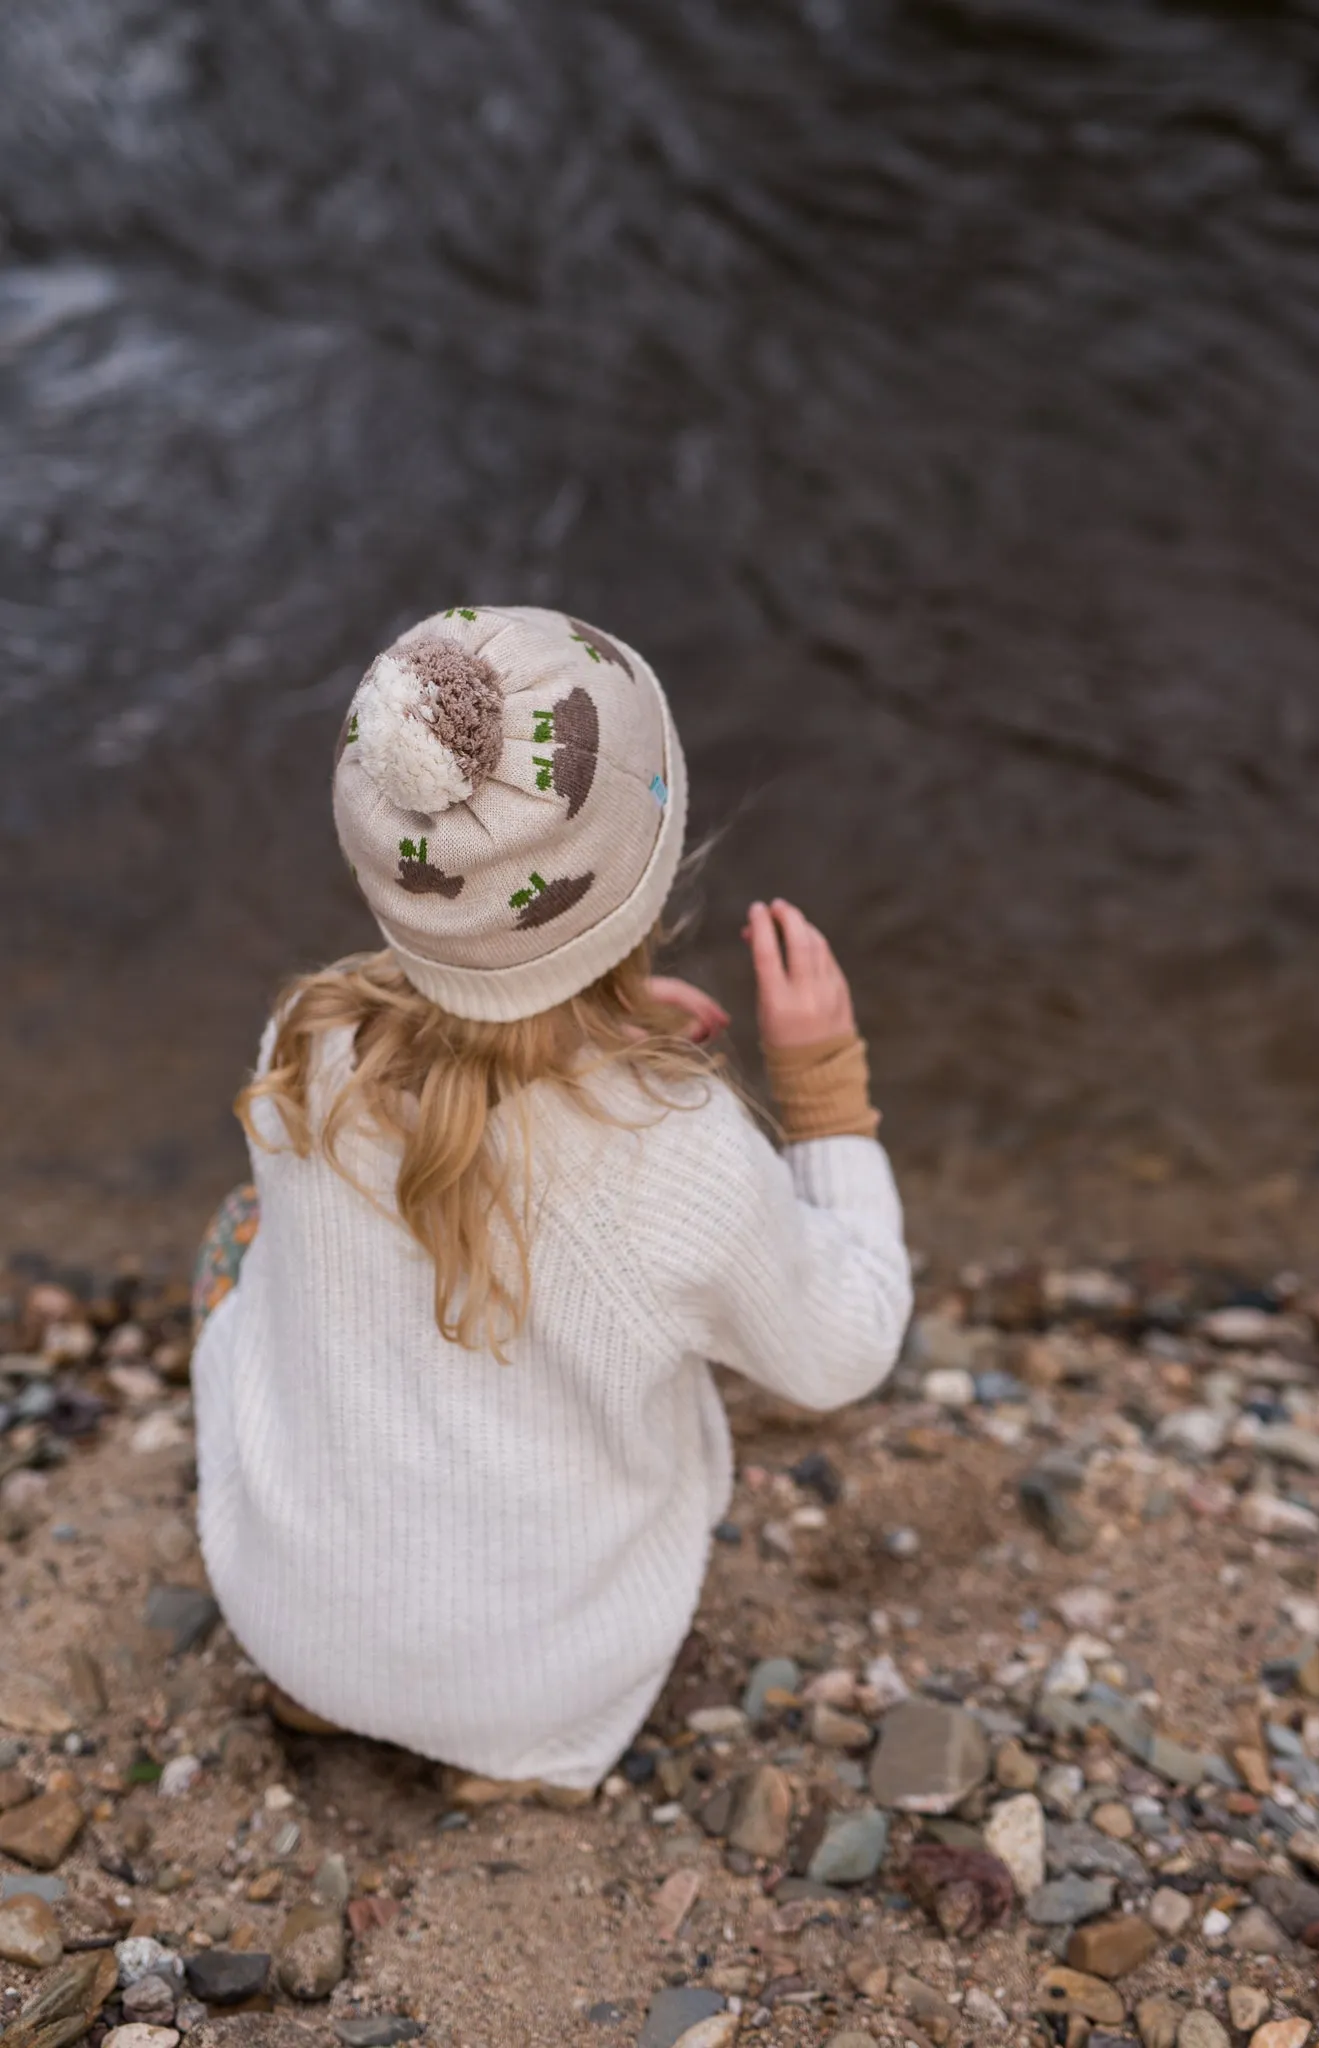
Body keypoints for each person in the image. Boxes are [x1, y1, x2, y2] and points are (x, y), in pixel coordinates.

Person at [191, 604, 911, 1797]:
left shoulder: (308, 1038)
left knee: (242, 1227)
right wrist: (824, 1091)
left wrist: (578, 1010)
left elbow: (468, 1046)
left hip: (288, 1613)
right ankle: (509, 1769)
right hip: (543, 1685)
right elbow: (848, 1349)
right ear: (655, 844)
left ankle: (318, 1688)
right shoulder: (680, 1153)